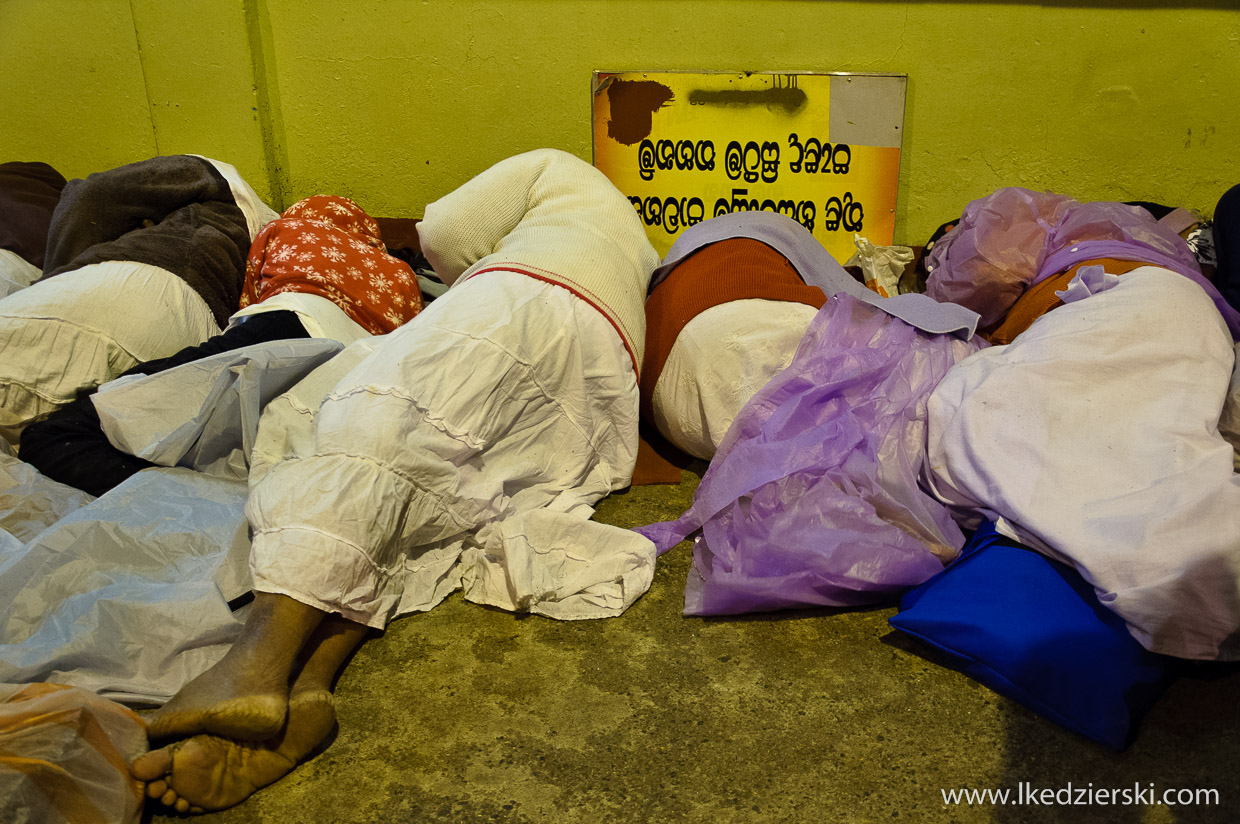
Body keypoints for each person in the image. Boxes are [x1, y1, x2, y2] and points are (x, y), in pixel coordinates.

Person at [130, 148, 660, 812]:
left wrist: (459, 275)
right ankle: (311, 685)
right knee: (448, 505)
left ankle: (255, 663)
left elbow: (445, 233)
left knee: (374, 423)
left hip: (522, 301)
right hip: (599, 394)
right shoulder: (641, 250)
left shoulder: (558, 171)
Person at [19, 194, 422, 496]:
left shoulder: (285, 230)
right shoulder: (400, 271)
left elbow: (248, 298)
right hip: (356, 364)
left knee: (59, 433)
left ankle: (178, 500)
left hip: (282, 329)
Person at [0, 155, 274, 446]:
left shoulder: (212, 178)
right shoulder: (274, 244)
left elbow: (91, 195)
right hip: (188, 342)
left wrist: (55, 276)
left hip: (119, 289)